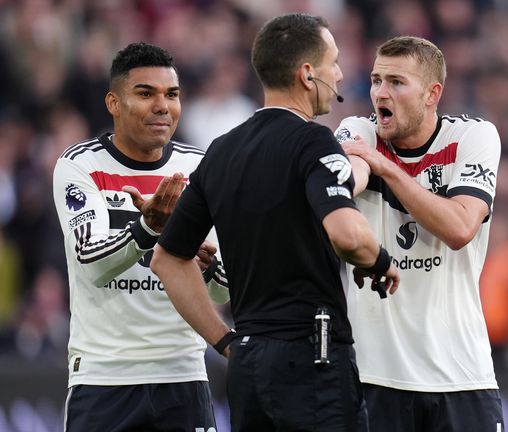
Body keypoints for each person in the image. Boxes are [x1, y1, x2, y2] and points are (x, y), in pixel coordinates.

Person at [150, 13, 399, 432]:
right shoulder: (312, 141)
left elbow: (167, 260)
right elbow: (347, 235)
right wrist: (379, 261)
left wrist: (226, 341)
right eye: (332, 62)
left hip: (247, 366)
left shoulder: (221, 151)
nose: (339, 74)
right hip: (312, 361)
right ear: (307, 74)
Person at [52, 42, 229, 431]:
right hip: (104, 378)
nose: (163, 106)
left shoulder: (199, 167)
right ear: (114, 103)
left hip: (183, 373)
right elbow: (93, 263)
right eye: (146, 94)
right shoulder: (80, 165)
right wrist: (148, 229)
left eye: (172, 94)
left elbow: (224, 291)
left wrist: (208, 265)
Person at [335, 36, 504, 432]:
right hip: (376, 378)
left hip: (462, 376)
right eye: (376, 80)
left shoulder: (472, 138)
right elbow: (350, 179)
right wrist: (361, 170)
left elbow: (460, 228)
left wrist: (388, 168)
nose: (380, 93)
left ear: (432, 94)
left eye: (396, 82)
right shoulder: (357, 130)